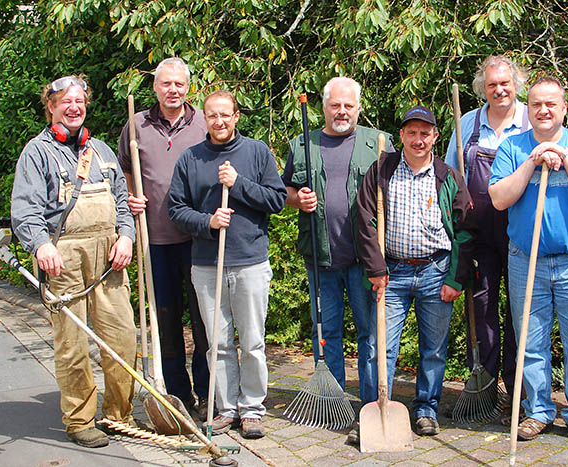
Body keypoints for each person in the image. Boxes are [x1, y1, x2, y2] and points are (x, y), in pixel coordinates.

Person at [11, 75, 136, 448]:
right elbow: (26, 211)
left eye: (79, 101)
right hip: (62, 257)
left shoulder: (102, 151)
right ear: (50, 106)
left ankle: (118, 415)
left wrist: (127, 236)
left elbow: (123, 200)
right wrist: (39, 246)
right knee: (73, 345)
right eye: (65, 101)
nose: (74, 107)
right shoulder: (36, 153)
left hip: (109, 257)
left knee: (122, 338)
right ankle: (80, 419)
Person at [488, 76, 568, 445]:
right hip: (527, 259)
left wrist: (565, 157)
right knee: (530, 341)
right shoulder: (513, 147)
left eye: (551, 104)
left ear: (564, 108)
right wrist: (533, 161)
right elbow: (499, 198)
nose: (543, 110)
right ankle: (538, 410)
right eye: (537, 104)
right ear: (529, 108)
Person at [281, 76, 393, 444]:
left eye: (348, 105)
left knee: (370, 335)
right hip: (321, 257)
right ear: (323, 107)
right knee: (325, 333)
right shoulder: (303, 144)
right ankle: (332, 400)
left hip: (364, 260)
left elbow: (396, 192)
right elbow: (285, 191)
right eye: (335, 105)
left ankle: (371, 401)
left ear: (358, 108)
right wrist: (298, 199)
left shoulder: (378, 143)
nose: (341, 111)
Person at [168, 90, 287, 439]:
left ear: (236, 116)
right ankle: (226, 408)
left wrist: (238, 184)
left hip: (249, 261)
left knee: (251, 341)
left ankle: (252, 409)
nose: (218, 121)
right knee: (216, 343)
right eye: (212, 115)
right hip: (207, 264)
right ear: (205, 118)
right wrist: (208, 222)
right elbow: (176, 209)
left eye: (225, 114)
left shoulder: (256, 152)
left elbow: (277, 199)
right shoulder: (191, 158)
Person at [357, 105, 476, 436]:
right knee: (379, 348)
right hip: (391, 274)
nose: (418, 139)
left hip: (436, 272)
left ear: (435, 136)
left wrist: (456, 278)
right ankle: (374, 410)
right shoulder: (382, 169)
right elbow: (365, 220)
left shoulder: (449, 177)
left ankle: (426, 409)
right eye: (412, 132)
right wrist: (376, 268)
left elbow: (465, 231)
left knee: (434, 349)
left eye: (425, 133)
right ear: (402, 136)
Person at [117, 57, 210, 419]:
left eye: (179, 84)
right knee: (165, 320)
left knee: (204, 322)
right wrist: (131, 196)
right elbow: (127, 169)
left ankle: (206, 393)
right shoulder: (136, 124)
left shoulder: (202, 122)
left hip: (198, 239)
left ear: (188, 87)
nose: (173, 90)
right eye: (166, 84)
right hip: (155, 238)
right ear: (155, 87)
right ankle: (177, 395)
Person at [445, 55, 530, 406]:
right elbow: (450, 176)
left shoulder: (530, 120)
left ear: (516, 85)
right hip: (479, 232)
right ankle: (483, 381)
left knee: (521, 307)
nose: (499, 90)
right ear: (483, 88)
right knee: (481, 306)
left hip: (521, 227)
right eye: (492, 84)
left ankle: (519, 386)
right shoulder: (468, 124)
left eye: (505, 83)